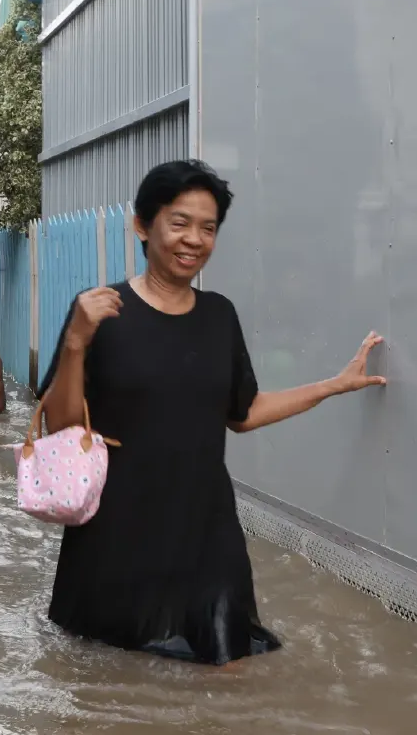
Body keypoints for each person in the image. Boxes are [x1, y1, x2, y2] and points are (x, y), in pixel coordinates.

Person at [38, 160, 386, 665]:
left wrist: (333, 385)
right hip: (117, 531)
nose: (193, 240)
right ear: (142, 224)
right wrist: (74, 343)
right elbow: (61, 427)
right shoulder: (100, 311)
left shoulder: (219, 314)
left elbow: (241, 414)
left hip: (206, 529)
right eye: (179, 223)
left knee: (228, 664)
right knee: (109, 672)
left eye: (208, 228)